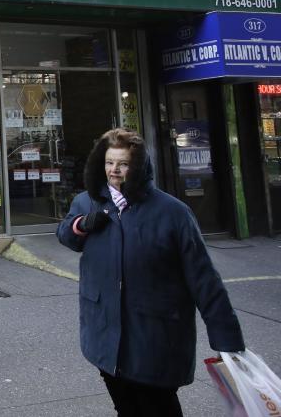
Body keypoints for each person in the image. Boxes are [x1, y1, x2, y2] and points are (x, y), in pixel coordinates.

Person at [57, 128, 244, 416]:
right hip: (105, 335)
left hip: (155, 338)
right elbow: (66, 236)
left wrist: (227, 341)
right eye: (109, 163)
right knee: (126, 406)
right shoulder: (87, 201)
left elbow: (204, 280)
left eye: (123, 164)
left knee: (159, 408)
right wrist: (81, 224)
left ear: (139, 166)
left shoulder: (173, 212)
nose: (114, 171)